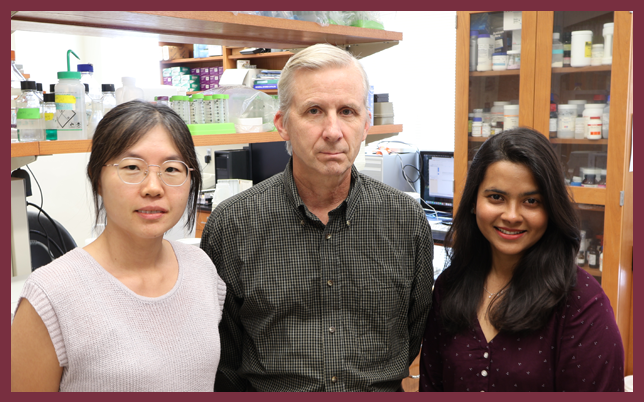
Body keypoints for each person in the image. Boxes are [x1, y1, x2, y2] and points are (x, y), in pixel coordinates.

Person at [201, 43, 434, 392]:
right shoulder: (232, 226)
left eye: (347, 111)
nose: (333, 131)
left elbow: (415, 331)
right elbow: (226, 359)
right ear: (282, 124)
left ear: (366, 123)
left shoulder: (406, 221)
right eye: (313, 111)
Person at [11, 101, 227, 392]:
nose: (153, 187)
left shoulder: (201, 269)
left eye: (172, 169)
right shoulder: (51, 294)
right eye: (132, 167)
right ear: (97, 179)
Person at [419, 128, 624, 392]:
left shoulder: (581, 304)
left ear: (551, 208)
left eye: (531, 201)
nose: (512, 216)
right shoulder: (450, 287)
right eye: (496, 197)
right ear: (473, 201)